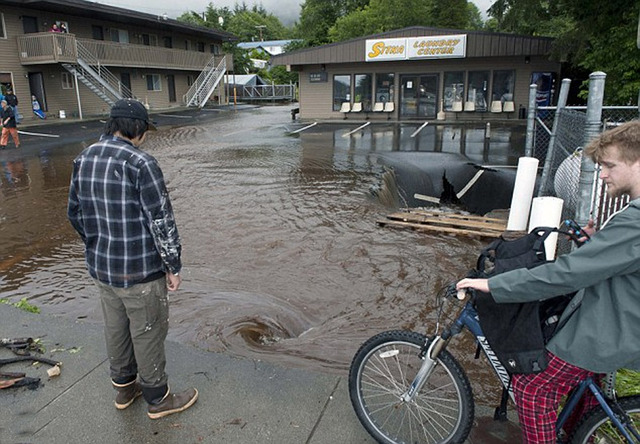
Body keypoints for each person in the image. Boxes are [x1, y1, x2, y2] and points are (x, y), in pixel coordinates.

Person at [457, 119, 640, 444]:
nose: (602, 175)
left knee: (532, 388)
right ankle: (583, 433)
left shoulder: (635, 220)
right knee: (583, 391)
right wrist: (598, 244)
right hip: (623, 320)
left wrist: (495, 285)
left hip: (610, 331)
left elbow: (566, 273)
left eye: (609, 165)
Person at [67, 98, 198, 419]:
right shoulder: (141, 163)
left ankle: (124, 390)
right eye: (145, 131)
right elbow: (161, 221)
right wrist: (173, 266)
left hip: (103, 268)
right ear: (137, 129)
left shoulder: (83, 158)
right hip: (140, 272)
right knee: (148, 330)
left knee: (116, 327)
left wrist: (96, 244)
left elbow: (75, 213)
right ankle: (158, 398)